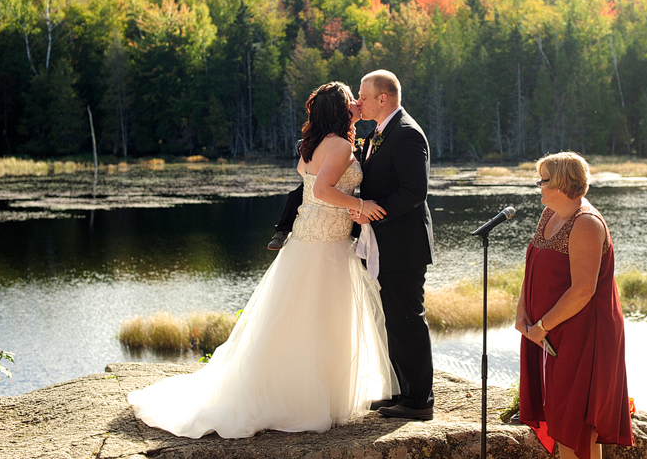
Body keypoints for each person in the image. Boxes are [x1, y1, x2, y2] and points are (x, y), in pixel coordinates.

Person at [128, 82, 398, 438]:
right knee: (319, 321)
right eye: (350, 98)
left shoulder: (313, 145)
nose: (355, 102)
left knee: (299, 321)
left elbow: (314, 190)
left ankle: (303, 393)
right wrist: (360, 207)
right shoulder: (340, 145)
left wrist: (349, 210)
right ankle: (307, 402)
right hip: (323, 246)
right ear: (338, 109)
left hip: (310, 240)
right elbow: (321, 191)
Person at [515, 151, 633, 459]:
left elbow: (583, 291)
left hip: (584, 335)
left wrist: (541, 327)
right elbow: (533, 268)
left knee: (575, 422)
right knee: (557, 413)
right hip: (551, 332)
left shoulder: (586, 224)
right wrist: (522, 312)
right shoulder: (550, 214)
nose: (538, 186)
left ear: (559, 184)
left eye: (542, 180)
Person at [353, 69, 435, 421]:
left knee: (407, 319)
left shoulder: (406, 134)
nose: (359, 101)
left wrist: (373, 214)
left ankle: (419, 402)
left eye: (363, 95)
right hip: (385, 244)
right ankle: (400, 391)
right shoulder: (378, 133)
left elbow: (415, 192)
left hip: (404, 244)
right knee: (391, 319)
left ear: (382, 98)